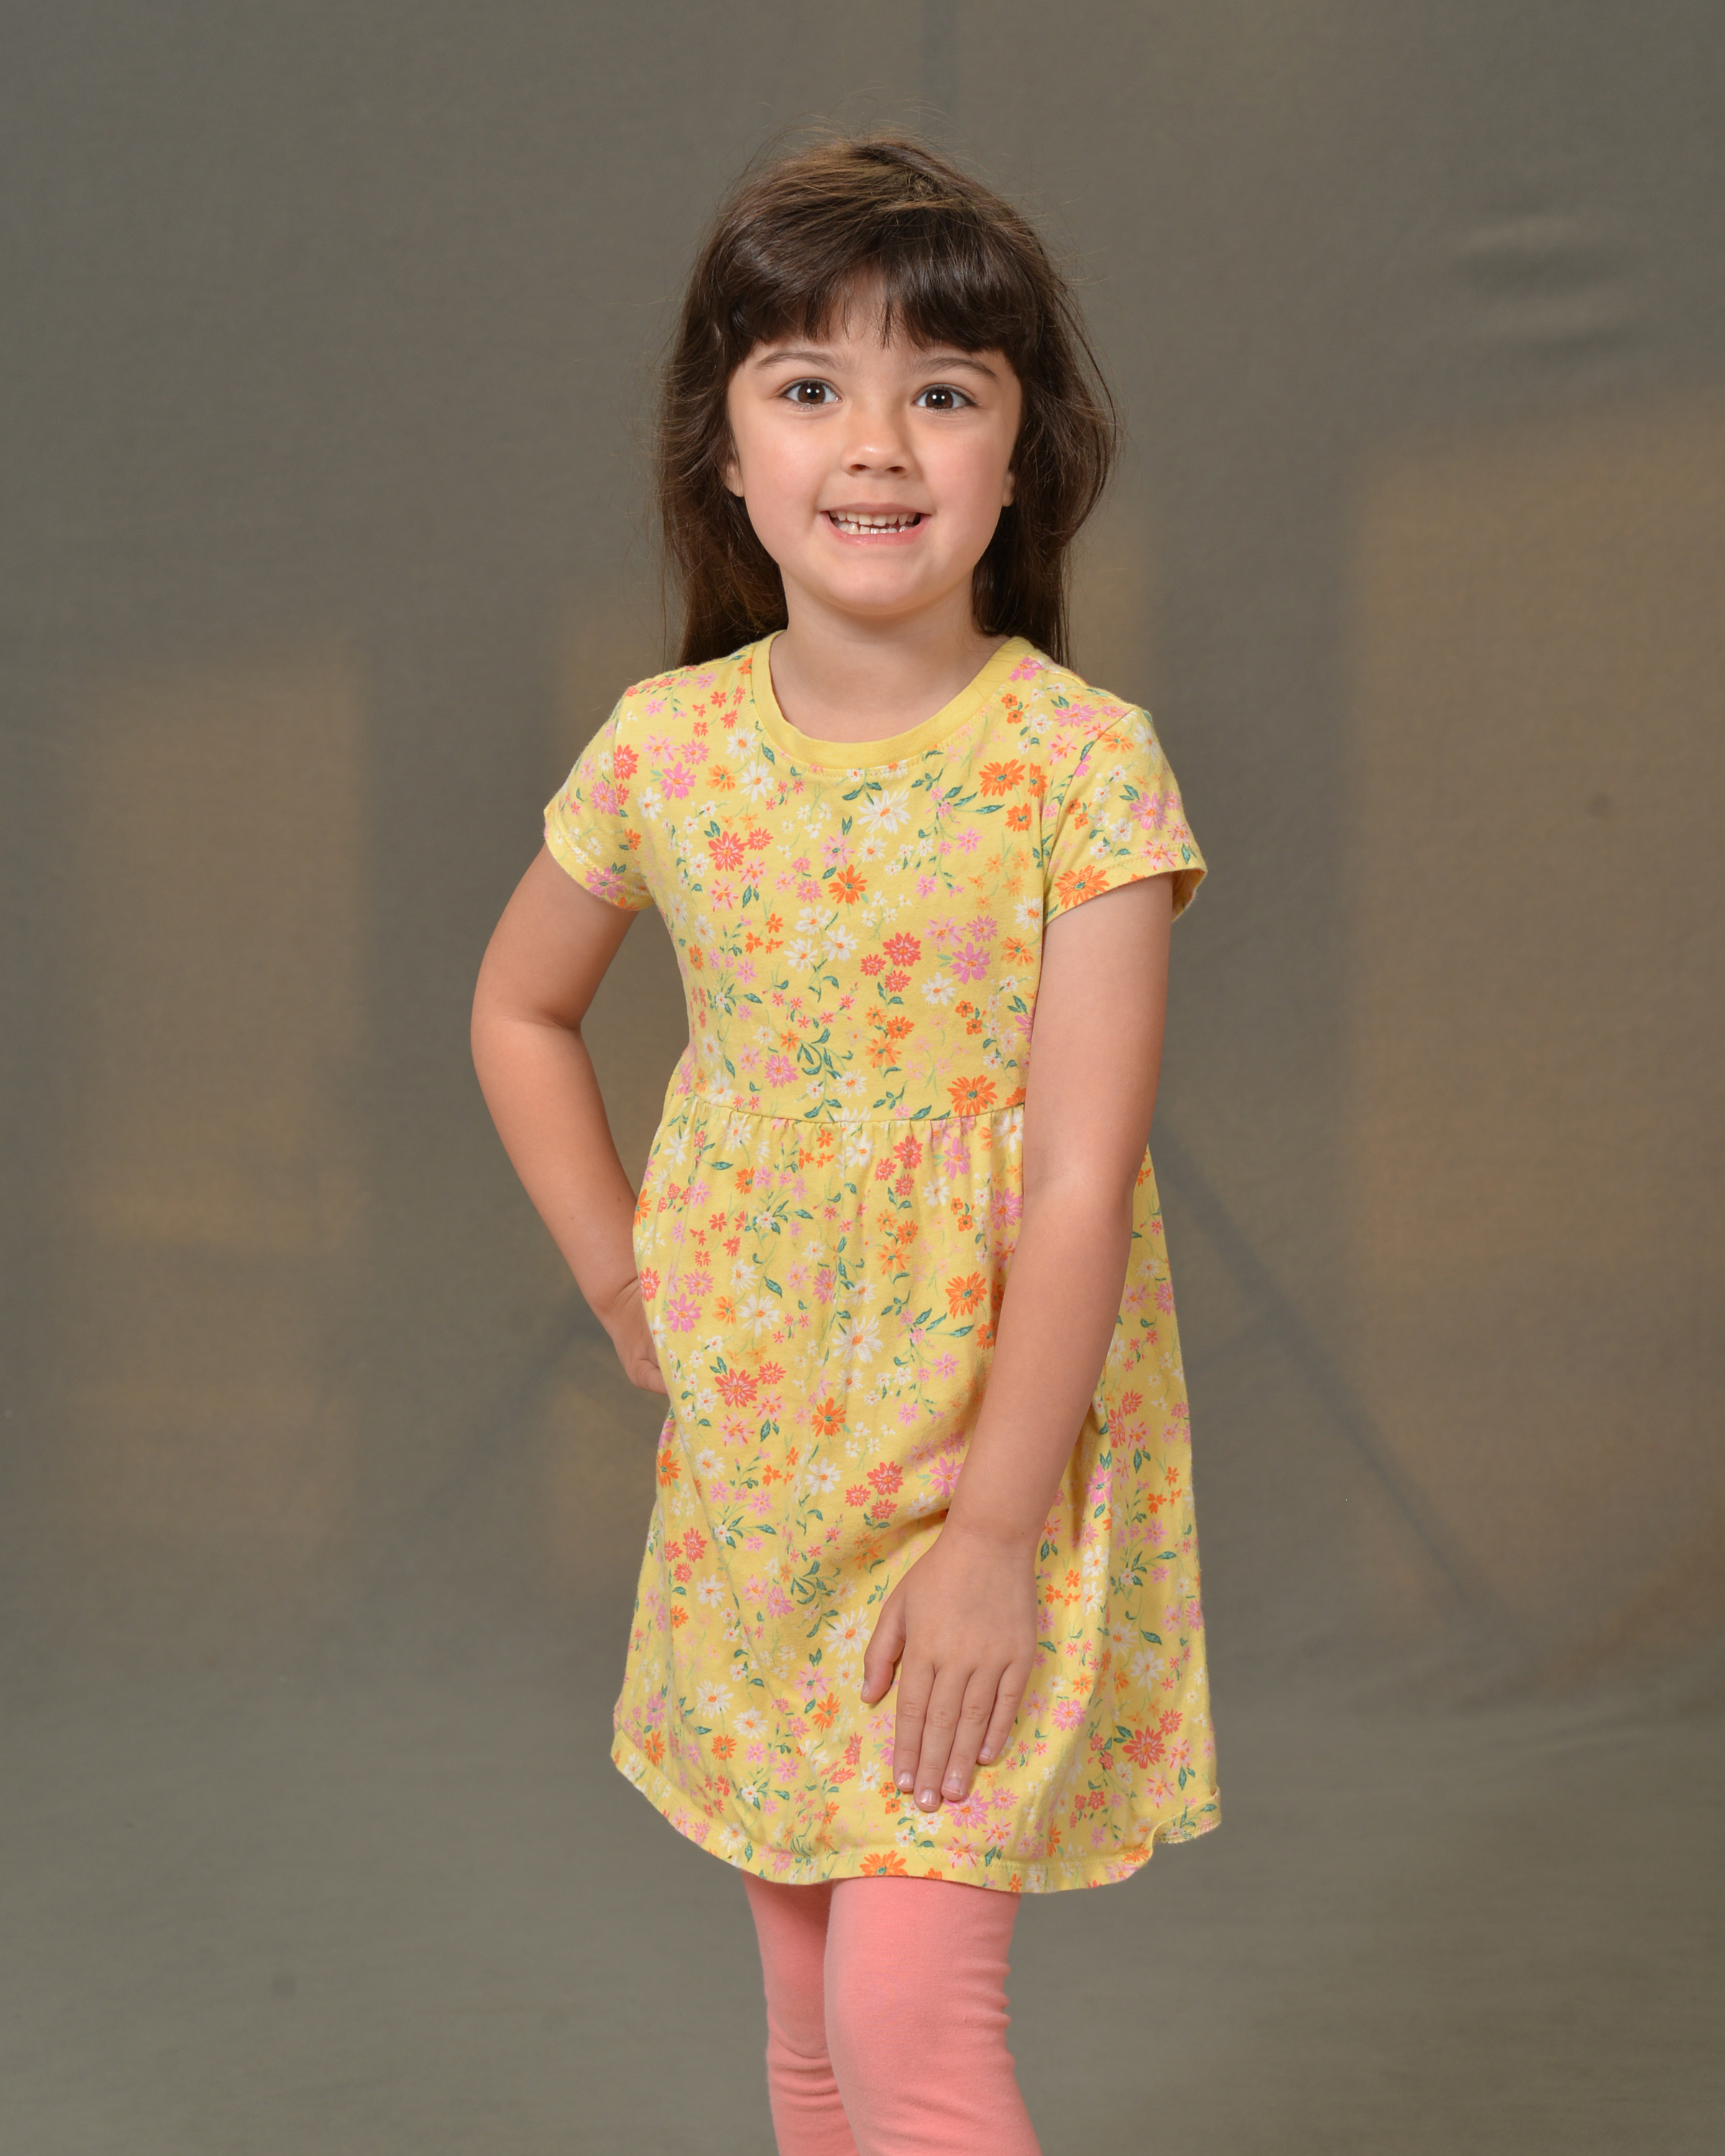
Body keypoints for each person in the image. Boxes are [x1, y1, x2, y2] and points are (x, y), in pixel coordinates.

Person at [471, 132, 1219, 2156]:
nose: (876, 442)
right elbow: (518, 1011)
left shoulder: (1079, 767)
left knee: (910, 2030)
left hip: (990, 1463)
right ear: (723, 451)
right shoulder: (668, 750)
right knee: (808, 2026)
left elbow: (1080, 1179)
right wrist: (620, 1274)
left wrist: (990, 1540)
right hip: (764, 1467)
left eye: (943, 392)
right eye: (810, 385)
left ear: (1022, 456)